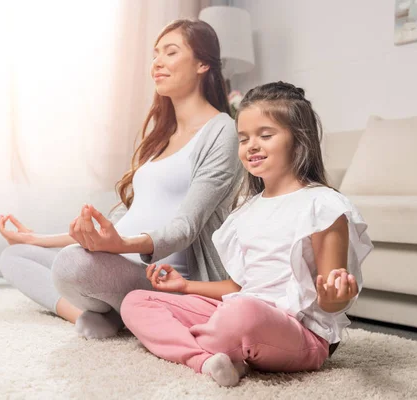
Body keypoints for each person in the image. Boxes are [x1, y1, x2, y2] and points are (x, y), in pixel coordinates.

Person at [0, 19, 243, 340]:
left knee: (72, 265)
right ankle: (96, 316)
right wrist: (37, 239)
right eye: (155, 54)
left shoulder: (222, 131)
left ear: (202, 64)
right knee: (15, 256)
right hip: (118, 260)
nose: (157, 62)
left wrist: (121, 245)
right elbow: (125, 221)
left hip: (167, 277)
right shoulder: (162, 137)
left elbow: (186, 227)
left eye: (170, 52)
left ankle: (134, 310)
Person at [120, 81, 374, 387]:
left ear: (299, 140)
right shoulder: (245, 210)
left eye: (265, 135)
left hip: (299, 331)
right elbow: (241, 286)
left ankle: (191, 343)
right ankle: (206, 360)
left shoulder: (323, 205)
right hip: (242, 311)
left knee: (241, 313)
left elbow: (331, 296)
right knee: (136, 302)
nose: (251, 145)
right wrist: (185, 286)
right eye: (243, 139)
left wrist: (336, 298)